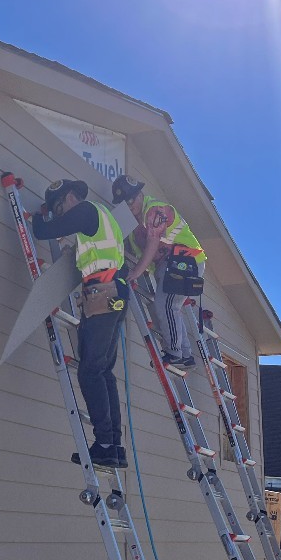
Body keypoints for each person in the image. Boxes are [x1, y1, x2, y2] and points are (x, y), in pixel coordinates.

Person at [30, 178, 134, 468]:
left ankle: (104, 443)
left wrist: (39, 216)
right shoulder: (101, 218)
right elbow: (85, 250)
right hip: (113, 292)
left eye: (60, 206)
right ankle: (114, 446)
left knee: (89, 372)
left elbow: (43, 231)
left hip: (102, 295)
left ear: (70, 197)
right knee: (103, 372)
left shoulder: (86, 211)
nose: (60, 213)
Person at [111, 175, 206, 372]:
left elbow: (153, 244)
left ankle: (174, 353)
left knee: (166, 304)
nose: (129, 206)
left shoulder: (155, 210)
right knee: (171, 307)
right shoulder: (135, 226)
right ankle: (185, 355)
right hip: (170, 265)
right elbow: (141, 251)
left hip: (184, 261)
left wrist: (136, 272)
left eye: (131, 200)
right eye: (124, 204)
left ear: (140, 195)